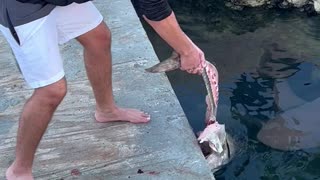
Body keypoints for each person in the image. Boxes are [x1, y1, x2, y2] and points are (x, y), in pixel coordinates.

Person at [0, 0, 206, 179]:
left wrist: (186, 48)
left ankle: (106, 110)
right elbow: (153, 8)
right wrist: (187, 50)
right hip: (22, 4)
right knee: (52, 90)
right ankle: (19, 170)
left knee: (99, 38)